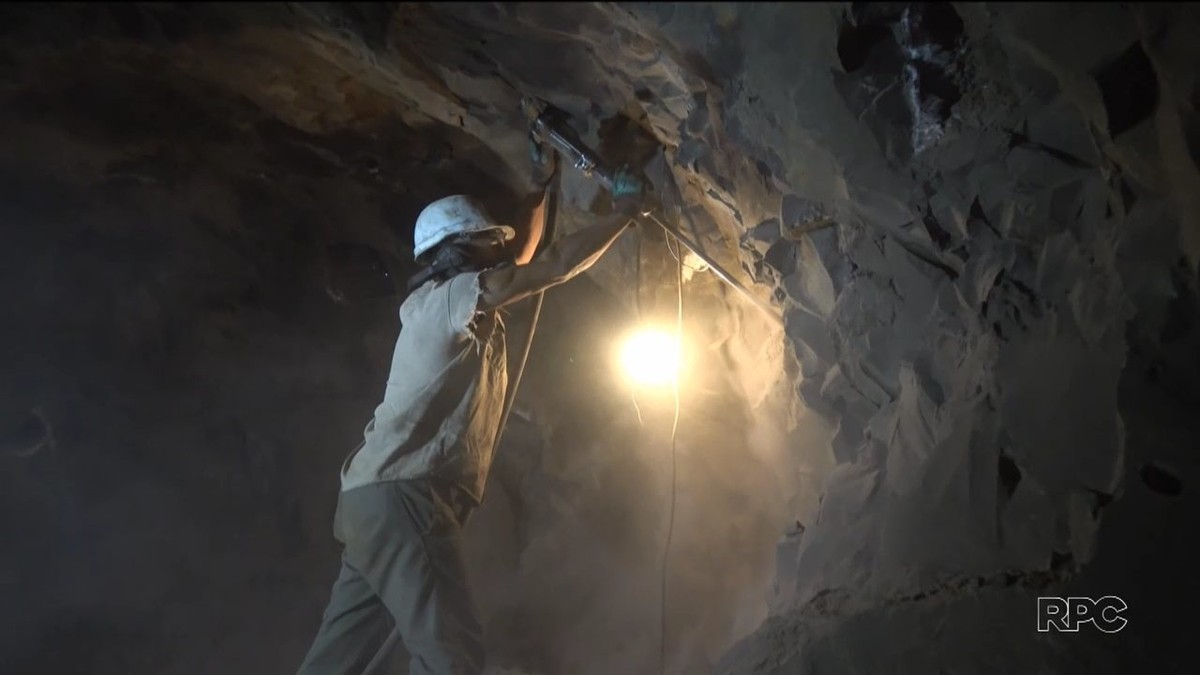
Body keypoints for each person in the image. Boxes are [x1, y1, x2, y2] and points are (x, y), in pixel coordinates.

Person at [296, 178, 644, 675]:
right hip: (404, 496)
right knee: (449, 659)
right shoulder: (452, 298)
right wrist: (626, 211)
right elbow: (552, 267)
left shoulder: (441, 308)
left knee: (336, 660)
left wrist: (543, 184)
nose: (498, 251)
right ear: (458, 251)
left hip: (368, 502)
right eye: (488, 243)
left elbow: (522, 260)